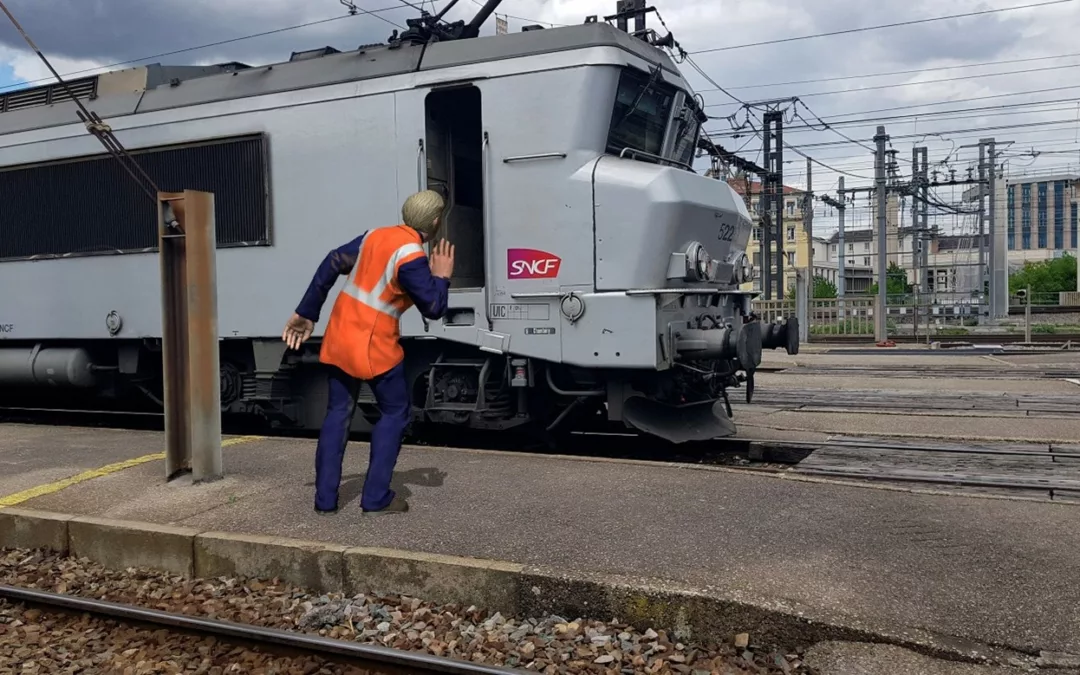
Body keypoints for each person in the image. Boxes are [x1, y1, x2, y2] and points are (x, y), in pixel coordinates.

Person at [282, 190, 455, 516]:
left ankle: (325, 501)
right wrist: (442, 277)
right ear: (434, 222)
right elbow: (433, 307)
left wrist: (307, 311)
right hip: (373, 345)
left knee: (337, 414)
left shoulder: (374, 235)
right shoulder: (411, 256)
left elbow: (334, 260)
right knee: (395, 412)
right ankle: (376, 498)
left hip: (340, 335)